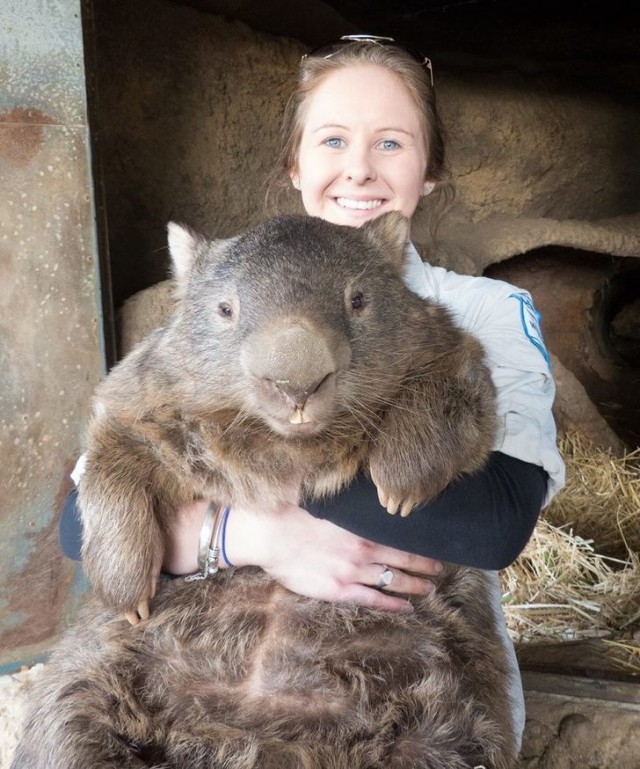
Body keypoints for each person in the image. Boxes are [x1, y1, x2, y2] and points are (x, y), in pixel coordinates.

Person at [59, 35, 565, 749]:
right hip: (178, 684)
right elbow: (85, 518)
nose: (358, 167)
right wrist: (257, 535)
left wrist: (260, 478)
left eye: (391, 142)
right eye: (333, 139)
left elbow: (494, 523)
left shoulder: (482, 309)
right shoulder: (218, 283)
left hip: (392, 697)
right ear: (294, 164)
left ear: (430, 171)